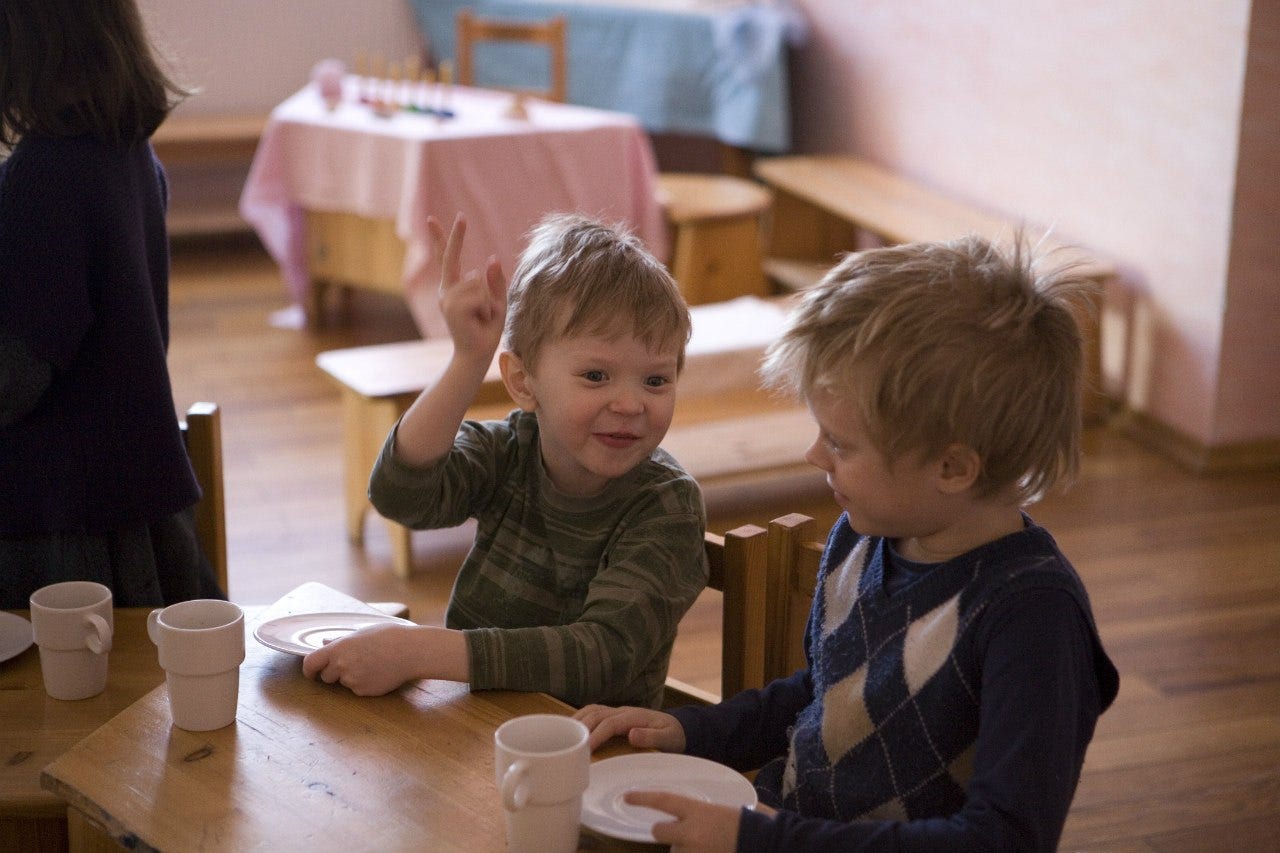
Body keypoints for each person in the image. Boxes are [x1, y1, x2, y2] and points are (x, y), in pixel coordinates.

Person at [575, 235, 1121, 852]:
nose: (813, 455)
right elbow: (823, 696)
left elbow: (1002, 840)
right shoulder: (866, 537)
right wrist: (687, 731)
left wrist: (763, 839)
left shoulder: (1033, 618)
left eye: (839, 442)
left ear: (952, 469)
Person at [302, 212, 709, 708]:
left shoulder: (667, 503)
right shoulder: (509, 450)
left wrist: (420, 650)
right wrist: (467, 360)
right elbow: (400, 495)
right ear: (522, 382)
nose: (630, 404)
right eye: (596, 376)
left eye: (655, 380)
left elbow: (602, 656)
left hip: (593, 753)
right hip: (477, 721)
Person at [0, 0, 223, 608]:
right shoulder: (127, 156)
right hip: (133, 506)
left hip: (63, 535)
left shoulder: (42, 178)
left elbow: (13, 378)